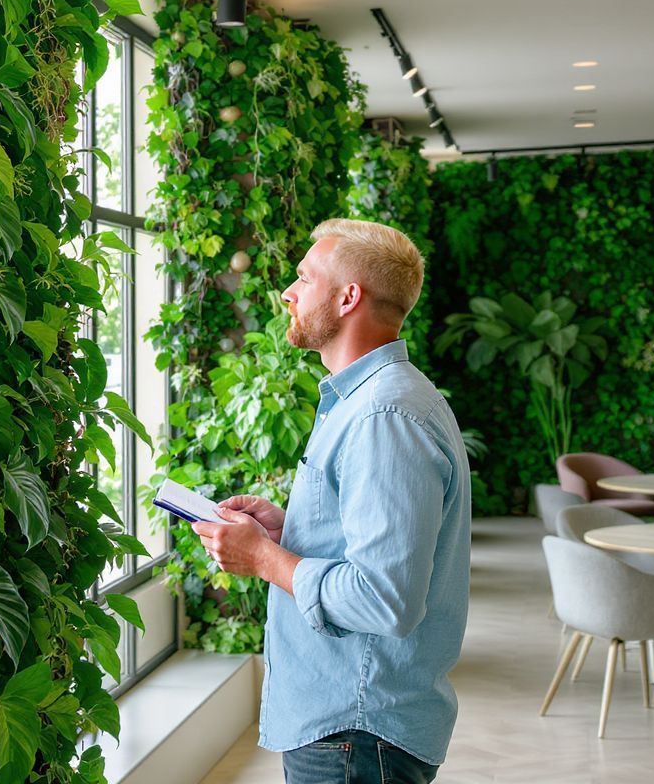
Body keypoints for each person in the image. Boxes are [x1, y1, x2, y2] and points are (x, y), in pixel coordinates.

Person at [192, 218, 471, 784]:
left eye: (303, 277)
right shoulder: (379, 400)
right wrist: (289, 531)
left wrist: (264, 560)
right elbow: (380, 542)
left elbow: (385, 599)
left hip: (356, 731)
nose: (288, 293)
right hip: (354, 726)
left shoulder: (383, 417)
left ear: (349, 298)